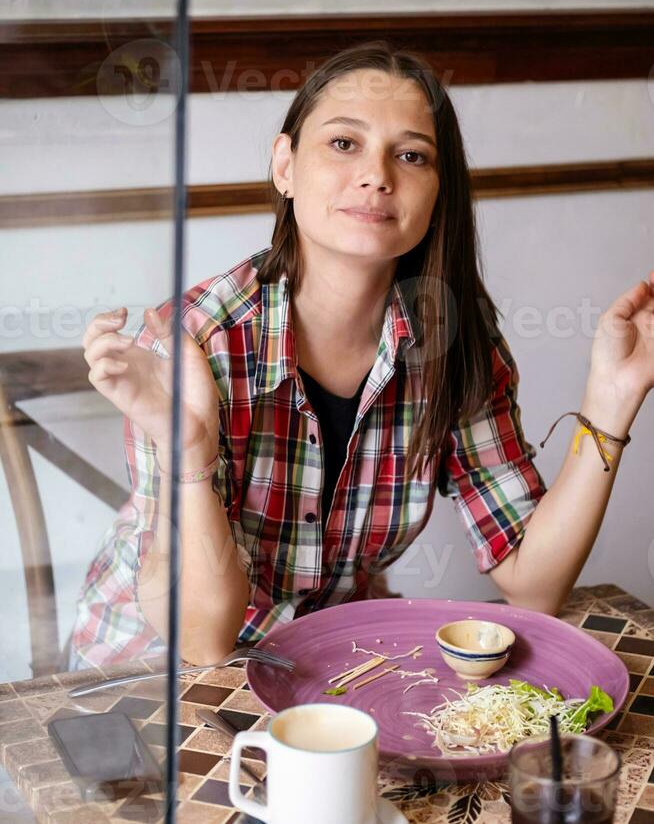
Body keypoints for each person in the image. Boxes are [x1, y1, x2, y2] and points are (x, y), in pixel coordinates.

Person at [71, 40, 653, 670]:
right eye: (344, 144)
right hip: (154, 668)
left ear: (437, 195)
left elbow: (533, 582)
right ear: (286, 167)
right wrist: (189, 450)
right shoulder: (191, 344)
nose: (378, 175)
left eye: (411, 155)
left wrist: (611, 401)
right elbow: (204, 642)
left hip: (329, 655)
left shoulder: (453, 343)